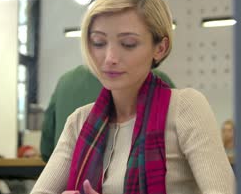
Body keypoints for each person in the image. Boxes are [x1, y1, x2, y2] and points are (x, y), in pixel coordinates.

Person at [19, 0, 235, 194]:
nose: (109, 57)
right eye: (98, 42)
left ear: (160, 48)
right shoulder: (80, 120)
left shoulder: (186, 108)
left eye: (128, 44)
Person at [40, 65, 175, 162]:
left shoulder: (66, 81)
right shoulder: (156, 80)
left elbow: (46, 149)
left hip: (67, 184)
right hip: (129, 188)